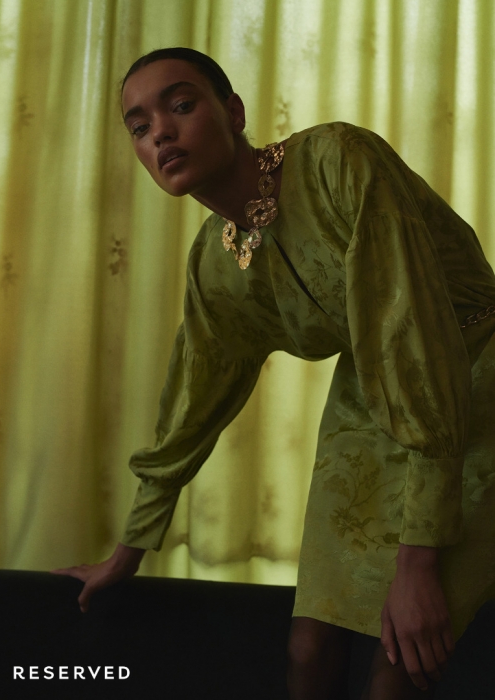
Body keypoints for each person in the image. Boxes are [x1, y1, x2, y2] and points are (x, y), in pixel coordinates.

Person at [53, 47, 495, 699]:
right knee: (307, 650)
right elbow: (194, 404)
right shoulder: (216, 264)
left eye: (182, 105)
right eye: (140, 127)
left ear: (233, 111)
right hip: (370, 395)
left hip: (476, 372)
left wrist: (418, 564)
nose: (161, 134)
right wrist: (127, 554)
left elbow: (411, 336)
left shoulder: (339, 161)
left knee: (399, 665)